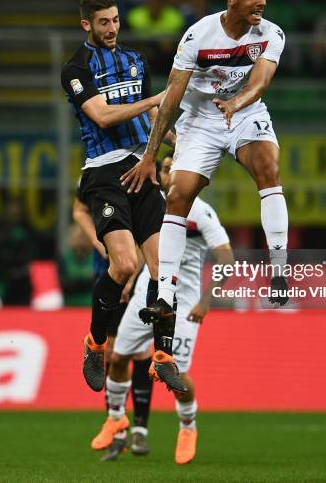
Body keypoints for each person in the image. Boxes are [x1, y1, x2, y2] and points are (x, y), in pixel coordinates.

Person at [121, 0, 290, 333]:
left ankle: (279, 269)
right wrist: (150, 155)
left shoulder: (271, 34)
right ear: (233, 0)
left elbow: (259, 83)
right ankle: (165, 293)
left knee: (269, 168)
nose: (261, 2)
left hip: (245, 113)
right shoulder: (197, 36)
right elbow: (171, 100)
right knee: (179, 195)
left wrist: (236, 104)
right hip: (199, 119)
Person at [60, 0, 185, 395]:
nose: (112, 29)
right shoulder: (76, 68)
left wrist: (179, 144)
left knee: (164, 267)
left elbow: (152, 116)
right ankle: (95, 344)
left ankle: (163, 357)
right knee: (125, 265)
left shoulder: (135, 61)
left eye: (115, 20)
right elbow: (102, 114)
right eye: (104, 23)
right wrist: (155, 98)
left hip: (142, 167)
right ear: (87, 25)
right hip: (105, 172)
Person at [95, 151, 235, 464]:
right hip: (149, 291)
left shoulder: (202, 213)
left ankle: (188, 426)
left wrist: (205, 300)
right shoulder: (151, 204)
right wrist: (129, 282)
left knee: (177, 375)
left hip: (183, 303)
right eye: (167, 168)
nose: (171, 173)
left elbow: (227, 260)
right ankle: (116, 418)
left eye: (176, 168)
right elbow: (148, 249)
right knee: (118, 359)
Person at [72, 186, 153, 460]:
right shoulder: (97, 172)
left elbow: (147, 233)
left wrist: (132, 277)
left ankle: (140, 429)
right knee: (111, 352)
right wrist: (98, 242)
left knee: (140, 351)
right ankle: (117, 429)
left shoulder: (139, 174)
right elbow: (79, 210)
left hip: (137, 278)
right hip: (107, 275)